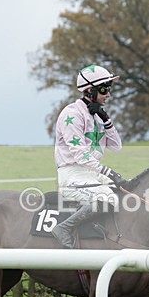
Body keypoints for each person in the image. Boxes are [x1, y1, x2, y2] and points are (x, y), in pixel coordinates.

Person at [51, 64, 129, 249]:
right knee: (107, 199)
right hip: (72, 175)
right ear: (89, 91)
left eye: (109, 89)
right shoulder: (72, 114)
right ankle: (64, 228)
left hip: (91, 173)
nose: (108, 94)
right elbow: (79, 154)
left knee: (126, 191)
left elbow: (117, 147)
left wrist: (106, 120)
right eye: (104, 89)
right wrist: (108, 171)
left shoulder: (96, 115)